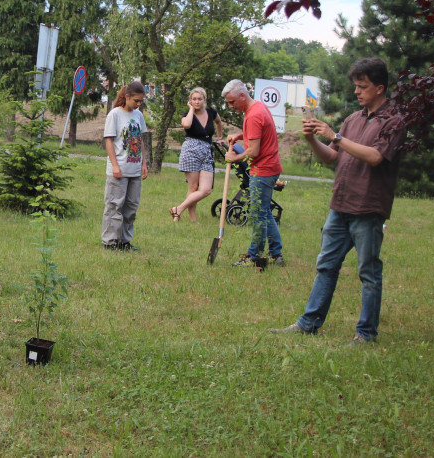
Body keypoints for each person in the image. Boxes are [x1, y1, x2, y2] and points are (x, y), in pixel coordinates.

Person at [271, 57, 406, 345]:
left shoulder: (393, 122)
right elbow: (332, 156)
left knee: (368, 272)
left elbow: (375, 157)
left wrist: (336, 136)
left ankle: (366, 334)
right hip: (340, 206)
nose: (357, 92)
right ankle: (308, 323)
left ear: (380, 88)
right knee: (326, 265)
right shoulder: (353, 119)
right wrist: (312, 140)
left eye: (363, 87)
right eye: (355, 86)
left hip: (368, 208)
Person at [221, 79, 285, 267]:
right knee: (264, 212)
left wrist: (233, 158)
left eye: (232, 102)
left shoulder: (253, 115)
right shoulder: (258, 107)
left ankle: (254, 256)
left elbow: (253, 151)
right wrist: (239, 136)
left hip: (263, 170)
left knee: (257, 214)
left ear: (242, 95)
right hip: (270, 167)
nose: (231, 106)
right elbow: (257, 133)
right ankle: (276, 254)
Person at [102, 81, 149, 251]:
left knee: (131, 207)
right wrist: (115, 165)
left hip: (134, 169)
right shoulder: (114, 114)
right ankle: (110, 241)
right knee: (115, 205)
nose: (138, 104)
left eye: (141, 101)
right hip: (119, 169)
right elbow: (109, 140)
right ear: (127, 97)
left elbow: (140, 140)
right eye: (136, 100)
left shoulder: (138, 115)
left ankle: (124, 241)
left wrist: (144, 163)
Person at [169, 87, 223, 222]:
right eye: (194, 99)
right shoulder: (187, 114)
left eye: (199, 99)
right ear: (190, 101)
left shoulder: (211, 112)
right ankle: (193, 219)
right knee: (193, 187)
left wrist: (220, 136)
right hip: (191, 150)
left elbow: (219, 122)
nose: (197, 102)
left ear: (204, 99)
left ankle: (178, 209)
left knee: (206, 189)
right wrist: (191, 109)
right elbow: (186, 125)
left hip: (207, 151)